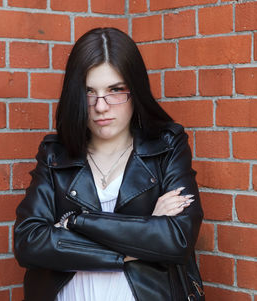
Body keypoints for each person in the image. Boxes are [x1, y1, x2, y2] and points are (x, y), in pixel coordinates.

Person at [13, 27, 204, 301]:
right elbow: (29, 243)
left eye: (115, 90)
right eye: (89, 92)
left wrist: (73, 222)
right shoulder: (56, 155)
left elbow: (177, 240)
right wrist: (145, 229)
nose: (101, 106)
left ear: (135, 91)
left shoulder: (166, 147)